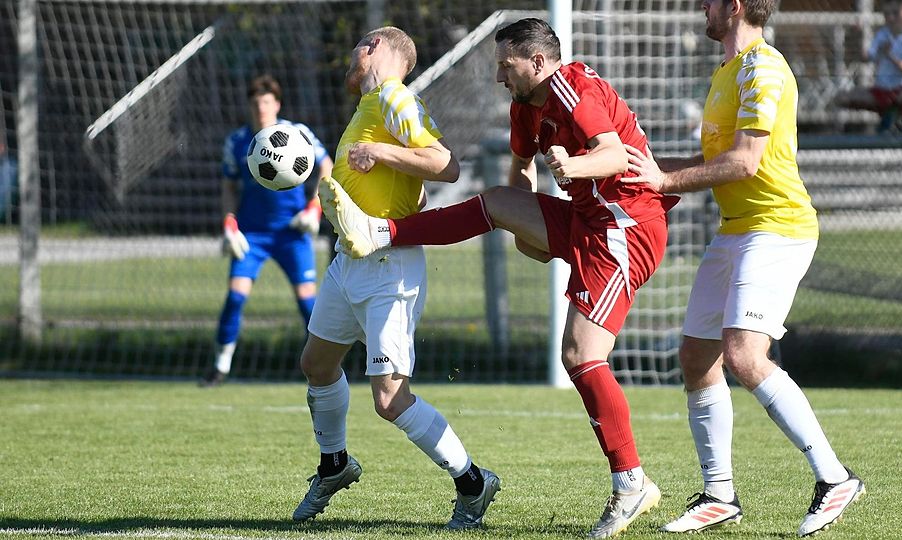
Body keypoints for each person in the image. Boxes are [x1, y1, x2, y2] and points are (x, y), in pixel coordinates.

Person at [317, 18, 677, 539]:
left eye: (505, 66)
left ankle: (632, 482)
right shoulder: (524, 106)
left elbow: (615, 152)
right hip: (587, 220)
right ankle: (385, 230)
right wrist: (521, 220)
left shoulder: (570, 86)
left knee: (580, 354)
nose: (498, 76)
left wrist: (573, 170)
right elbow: (521, 174)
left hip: (626, 225)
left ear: (536, 61)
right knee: (496, 202)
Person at [623, 0, 865, 536]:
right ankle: (719, 495)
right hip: (736, 229)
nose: (700, 8)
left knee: (743, 353)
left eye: (708, 1)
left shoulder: (765, 67)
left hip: (778, 229)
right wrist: (648, 174)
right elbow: (714, 164)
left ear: (733, 7)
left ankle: (835, 478)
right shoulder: (726, 72)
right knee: (696, 357)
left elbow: (746, 161)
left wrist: (662, 182)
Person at [292, 26, 501, 530]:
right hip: (349, 262)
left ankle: (474, 482)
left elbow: (446, 165)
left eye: (355, 47)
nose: (349, 58)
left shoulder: (392, 95)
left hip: (390, 266)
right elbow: (415, 186)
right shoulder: (370, 108)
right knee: (317, 364)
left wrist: (382, 155)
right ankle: (334, 463)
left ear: (375, 49)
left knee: (389, 398)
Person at [201, 75, 334, 387]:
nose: (261, 108)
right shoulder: (237, 142)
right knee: (235, 298)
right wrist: (229, 224)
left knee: (308, 305)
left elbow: (326, 165)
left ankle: (326, 368)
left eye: (266, 102)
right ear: (249, 106)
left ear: (277, 104)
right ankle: (220, 367)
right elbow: (229, 187)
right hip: (253, 236)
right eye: (255, 102)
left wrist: (314, 207)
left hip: (292, 233)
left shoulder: (297, 134)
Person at [835, 0, 902, 134]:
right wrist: (857, 36)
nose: (890, 18)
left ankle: (899, 118)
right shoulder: (882, 35)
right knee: (841, 97)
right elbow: (866, 58)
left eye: (895, 13)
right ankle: (890, 117)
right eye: (886, 14)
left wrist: (889, 54)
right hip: (881, 91)